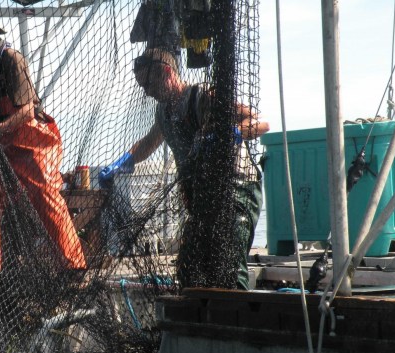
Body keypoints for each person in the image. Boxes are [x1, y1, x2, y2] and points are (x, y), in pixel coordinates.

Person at [99, 47, 269, 290]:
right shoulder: (164, 112)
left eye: (148, 84)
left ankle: (234, 318)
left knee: (228, 264)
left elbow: (259, 122)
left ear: (167, 73)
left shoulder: (201, 96)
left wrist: (231, 134)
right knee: (191, 267)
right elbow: (149, 143)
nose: (147, 93)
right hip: (202, 196)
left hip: (236, 190)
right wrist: (123, 161)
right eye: (143, 87)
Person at [0, 4, 86, 272]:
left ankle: (74, 268)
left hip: (33, 142)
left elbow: (26, 111)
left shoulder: (10, 59)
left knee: (44, 195)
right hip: (5, 147)